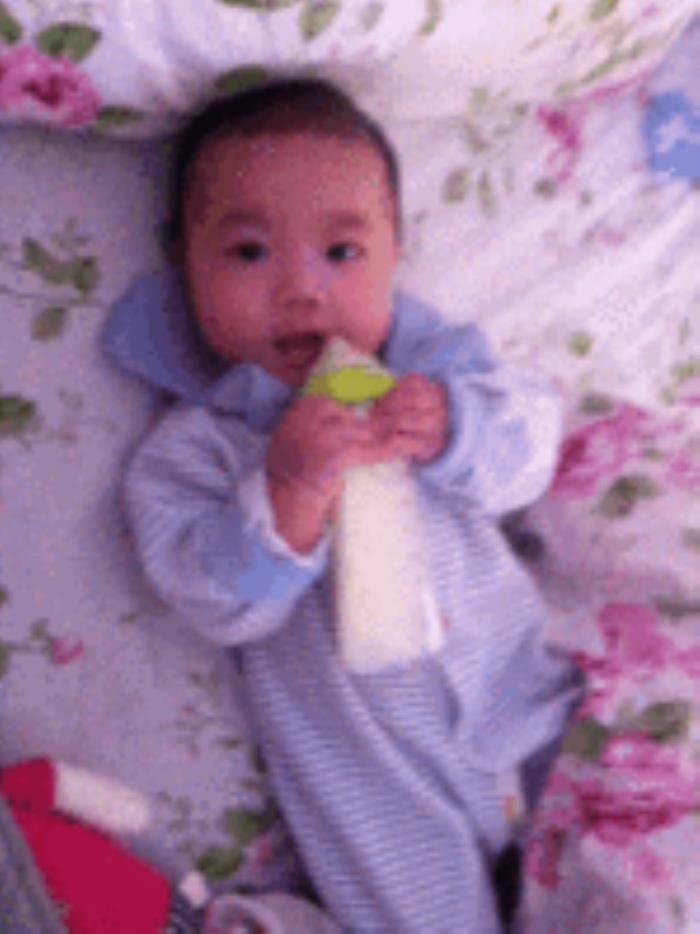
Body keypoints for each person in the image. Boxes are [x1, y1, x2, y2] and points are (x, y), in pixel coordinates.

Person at [102, 76, 582, 933]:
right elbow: (216, 599)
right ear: (185, 269)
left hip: (528, 708)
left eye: (343, 252)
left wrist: (457, 427)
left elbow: (531, 454)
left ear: (396, 255)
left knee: (634, 855)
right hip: (380, 789)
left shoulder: (436, 379)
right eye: (249, 252)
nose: (302, 288)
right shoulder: (198, 450)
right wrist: (288, 491)